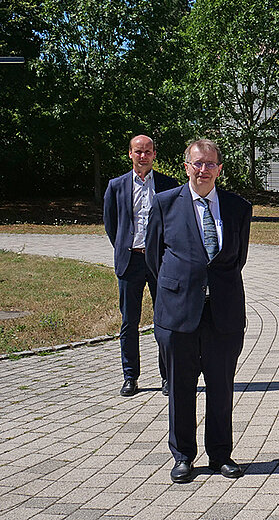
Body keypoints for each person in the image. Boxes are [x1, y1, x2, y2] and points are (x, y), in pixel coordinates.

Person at [146, 139, 252, 484]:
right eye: (197, 164)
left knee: (221, 386)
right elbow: (154, 257)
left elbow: (237, 258)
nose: (203, 170)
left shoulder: (238, 207)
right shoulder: (164, 204)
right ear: (185, 167)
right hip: (179, 312)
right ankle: (183, 456)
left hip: (223, 312)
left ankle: (221, 454)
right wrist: (181, 285)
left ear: (219, 169)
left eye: (210, 164)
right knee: (180, 386)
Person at [103, 134, 178, 397]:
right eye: (138, 151)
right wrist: (125, 248)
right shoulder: (116, 186)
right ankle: (130, 377)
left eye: (148, 151)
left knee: (165, 321)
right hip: (130, 261)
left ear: (155, 154)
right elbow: (112, 225)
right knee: (129, 322)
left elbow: (175, 223)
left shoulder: (169, 185)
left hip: (159, 261)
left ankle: (168, 377)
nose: (143, 156)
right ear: (130, 154)